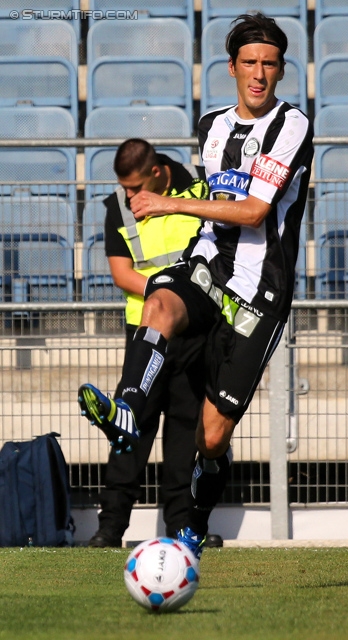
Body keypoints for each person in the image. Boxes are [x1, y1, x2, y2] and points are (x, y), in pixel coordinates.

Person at [79, 13, 314, 558]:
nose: (258, 74)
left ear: (281, 71)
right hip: (207, 270)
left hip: (259, 293)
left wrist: (169, 202)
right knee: (158, 301)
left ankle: (195, 524)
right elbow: (219, 215)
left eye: (269, 64)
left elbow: (254, 211)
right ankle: (127, 410)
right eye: (249, 63)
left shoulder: (293, 125)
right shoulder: (210, 125)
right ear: (231, 67)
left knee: (211, 436)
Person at [85, 139, 222, 549]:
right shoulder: (119, 206)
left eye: (135, 187)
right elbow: (122, 273)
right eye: (124, 188)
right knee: (131, 425)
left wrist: (187, 301)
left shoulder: (201, 186)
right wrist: (168, 293)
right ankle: (110, 528)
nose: (129, 196)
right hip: (147, 331)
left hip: (196, 333)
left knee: (186, 430)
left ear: (158, 172)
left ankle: (181, 526)